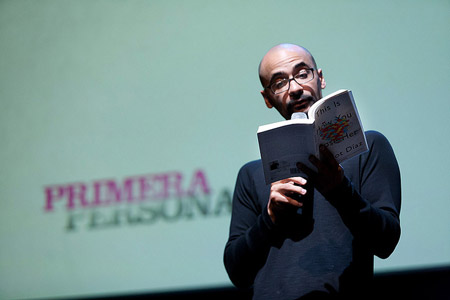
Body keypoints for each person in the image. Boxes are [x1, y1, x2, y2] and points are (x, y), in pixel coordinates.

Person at [223, 44, 401, 299]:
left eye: (303, 73)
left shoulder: (368, 147)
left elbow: (386, 241)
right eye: (280, 82)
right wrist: (270, 218)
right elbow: (237, 273)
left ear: (320, 77)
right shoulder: (252, 174)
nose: (295, 88)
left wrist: (340, 189)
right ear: (267, 98)